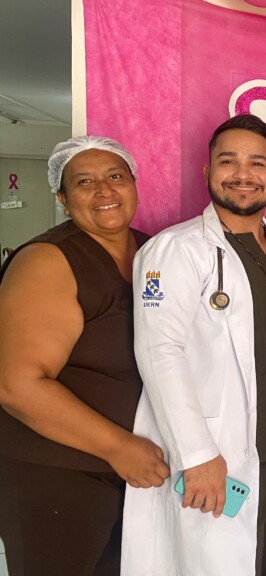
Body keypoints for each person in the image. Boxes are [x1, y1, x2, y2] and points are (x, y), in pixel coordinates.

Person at [122, 114, 266, 575]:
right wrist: (197, 455)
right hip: (220, 455)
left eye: (257, 163)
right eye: (229, 162)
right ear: (208, 172)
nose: (243, 174)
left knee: (264, 564)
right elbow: (158, 352)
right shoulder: (175, 249)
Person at [0, 136, 169, 576]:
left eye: (115, 176)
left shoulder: (154, 252)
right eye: (84, 182)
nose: (104, 191)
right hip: (57, 473)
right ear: (61, 198)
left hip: (134, 469)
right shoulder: (47, 261)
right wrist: (119, 446)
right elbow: (17, 386)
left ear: (134, 185)